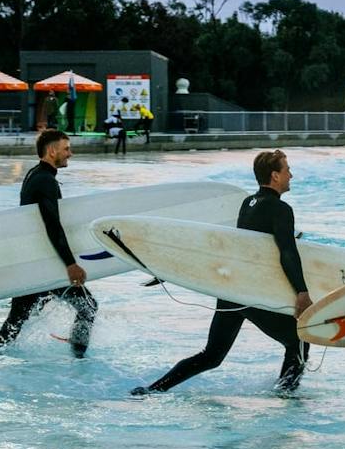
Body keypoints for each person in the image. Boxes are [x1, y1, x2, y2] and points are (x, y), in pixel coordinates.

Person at [132, 149, 312, 396]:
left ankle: (151, 390)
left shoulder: (248, 203)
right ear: (275, 176)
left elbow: (247, 249)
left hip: (231, 290)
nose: (291, 174)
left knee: (212, 355)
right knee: (298, 340)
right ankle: (286, 397)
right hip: (249, 293)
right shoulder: (280, 209)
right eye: (287, 170)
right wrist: (301, 292)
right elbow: (287, 253)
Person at [0, 129, 98, 357]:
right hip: (44, 264)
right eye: (66, 148)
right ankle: (79, 360)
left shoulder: (34, 174)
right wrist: (70, 264)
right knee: (88, 307)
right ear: (52, 151)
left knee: (17, 318)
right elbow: (52, 225)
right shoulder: (46, 181)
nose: (70, 153)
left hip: (33, 263)